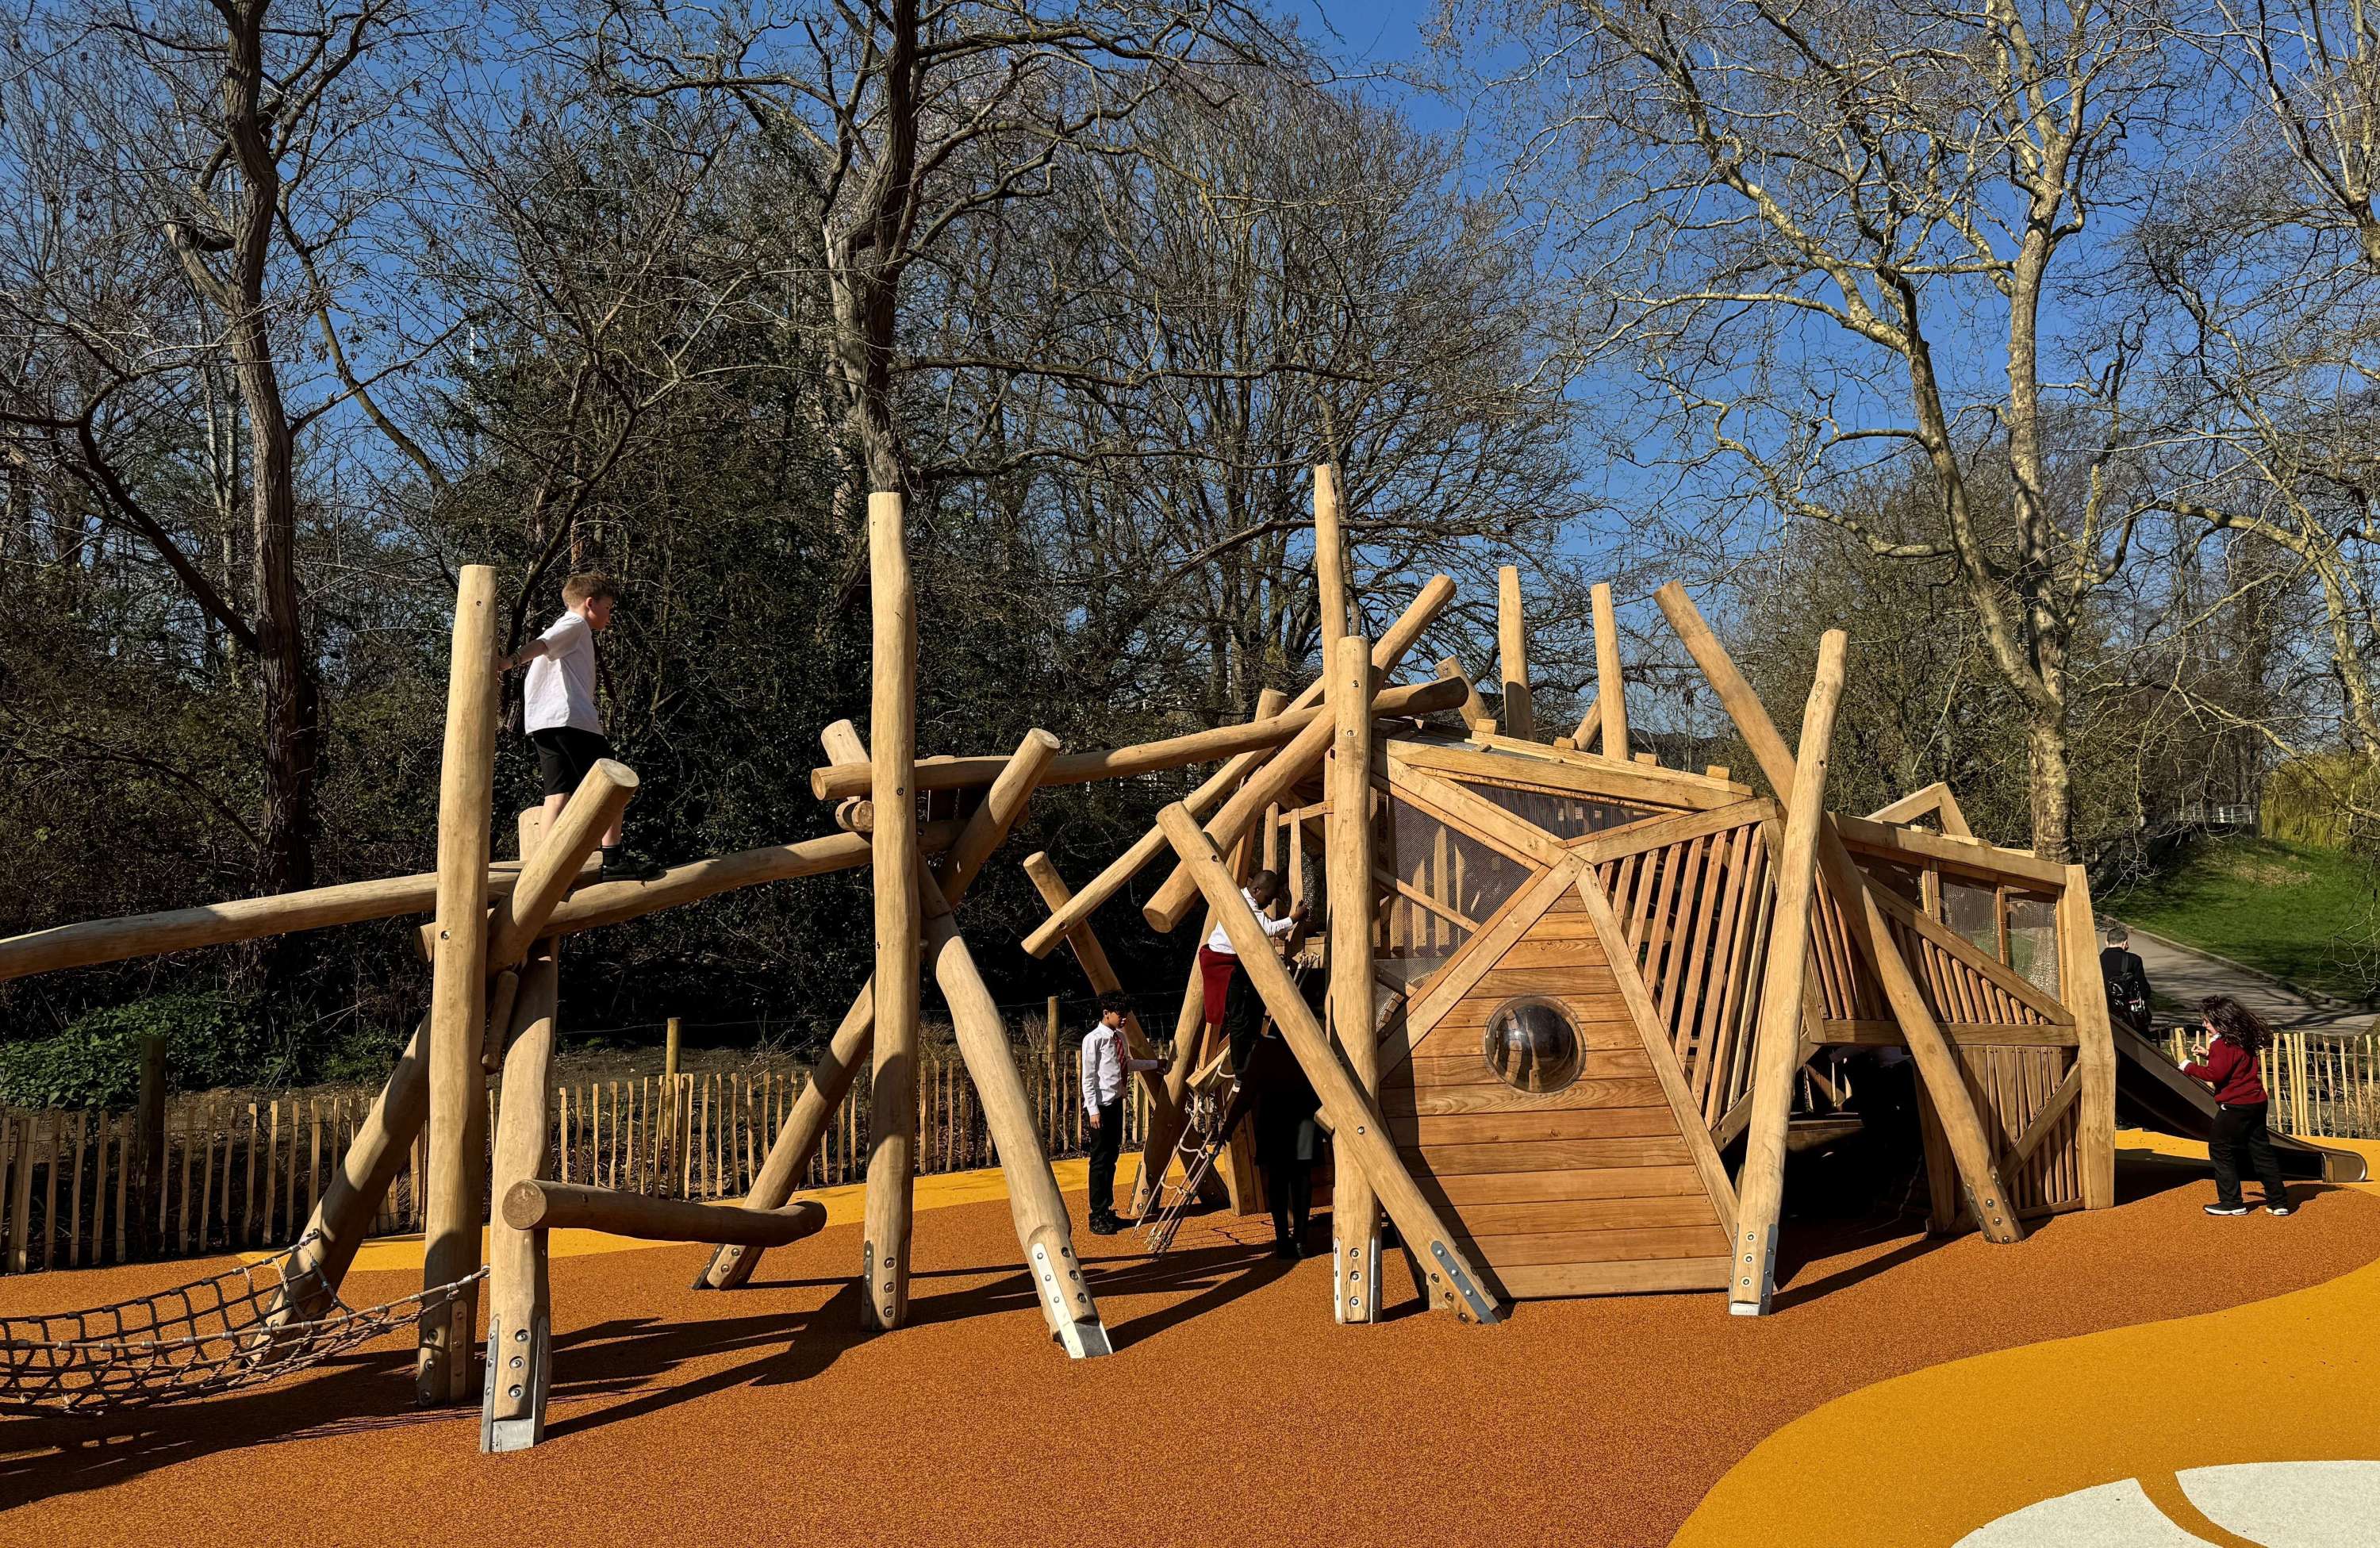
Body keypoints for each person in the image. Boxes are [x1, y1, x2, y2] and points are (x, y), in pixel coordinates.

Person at [497, 571, 664, 882]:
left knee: (558, 794)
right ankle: (612, 858)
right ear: (590, 604)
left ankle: (546, 867)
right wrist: (511, 661)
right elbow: (544, 644)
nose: (609, 615)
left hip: (544, 723)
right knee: (614, 787)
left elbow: (547, 644)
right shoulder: (575, 625)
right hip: (572, 721)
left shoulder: (568, 627)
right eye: (608, 607)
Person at [2180, 995, 2293, 1217]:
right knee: (2261, 1150)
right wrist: (2208, 1054)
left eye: (2207, 1021)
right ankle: (2278, 1201)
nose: (2205, 1025)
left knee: (2220, 1149)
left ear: (2220, 1021)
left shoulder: (2222, 1043)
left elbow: (2216, 1074)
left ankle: (2231, 1201)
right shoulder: (2242, 1038)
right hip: (2256, 1102)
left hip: (2235, 1105)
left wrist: (2188, 1066)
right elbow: (2234, 1062)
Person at [1196, 869, 1310, 1062]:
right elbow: (1266, 928)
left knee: (1249, 1003)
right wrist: (1295, 918)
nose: (1269, 902)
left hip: (1226, 960)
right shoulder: (1246, 904)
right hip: (1222, 962)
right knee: (1237, 1016)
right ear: (1256, 890)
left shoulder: (1243, 897)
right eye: (1269, 897)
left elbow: (1266, 924)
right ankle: (1241, 1066)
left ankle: (1251, 1044)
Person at [1081, 991, 1161, 1235]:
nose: (1124, 1019)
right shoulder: (1093, 1040)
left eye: (1125, 1015)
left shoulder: (1119, 1038)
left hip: (1115, 1103)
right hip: (1100, 1107)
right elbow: (1089, 1077)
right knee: (1100, 1161)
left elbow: (1127, 1064)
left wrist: (1156, 1064)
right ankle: (1097, 1214)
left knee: (1112, 1159)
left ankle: (1107, 1210)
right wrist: (1093, 1110)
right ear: (1106, 1013)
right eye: (1120, 1014)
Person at [2099, 924, 2154, 1036]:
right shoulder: (2134, 960)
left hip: (2104, 1015)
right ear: (2125, 943)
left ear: (2106, 942)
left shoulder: (2097, 960)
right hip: (2127, 1018)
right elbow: (2144, 991)